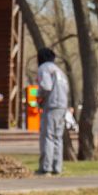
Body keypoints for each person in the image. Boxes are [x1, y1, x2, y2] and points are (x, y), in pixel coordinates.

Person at [36, 46, 69, 175]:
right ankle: (57, 167)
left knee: (48, 136)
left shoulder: (44, 68)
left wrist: (39, 97)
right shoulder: (59, 71)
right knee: (58, 137)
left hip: (51, 105)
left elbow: (46, 86)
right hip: (62, 105)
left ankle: (46, 168)